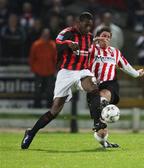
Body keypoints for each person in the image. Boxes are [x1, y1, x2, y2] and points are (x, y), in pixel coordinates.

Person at [21, 12, 107, 149]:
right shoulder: (67, 32)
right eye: (86, 25)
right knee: (54, 111)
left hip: (82, 71)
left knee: (93, 86)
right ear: (78, 23)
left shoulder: (90, 37)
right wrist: (68, 44)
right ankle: (31, 133)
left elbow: (91, 53)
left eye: (91, 26)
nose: (88, 28)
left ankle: (97, 122)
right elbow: (57, 45)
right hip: (66, 73)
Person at [87, 26, 144, 148]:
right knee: (101, 132)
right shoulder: (92, 49)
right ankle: (104, 142)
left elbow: (125, 65)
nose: (106, 39)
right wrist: (93, 41)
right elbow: (82, 50)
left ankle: (102, 103)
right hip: (93, 86)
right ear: (98, 37)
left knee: (104, 94)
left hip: (110, 83)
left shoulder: (115, 52)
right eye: (104, 36)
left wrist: (136, 74)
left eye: (108, 37)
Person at [29, 28, 57, 108]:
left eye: (47, 34)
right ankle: (37, 106)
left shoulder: (52, 45)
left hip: (50, 71)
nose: (46, 36)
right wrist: (33, 69)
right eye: (45, 34)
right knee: (38, 91)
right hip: (39, 71)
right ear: (42, 34)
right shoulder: (36, 44)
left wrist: (55, 68)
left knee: (50, 91)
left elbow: (55, 58)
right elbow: (32, 58)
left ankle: (49, 106)